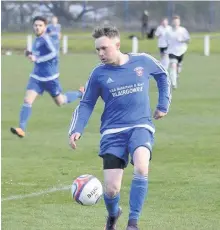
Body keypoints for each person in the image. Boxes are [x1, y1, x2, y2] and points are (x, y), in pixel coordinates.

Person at [68, 25, 171, 230]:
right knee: (112, 189)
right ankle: (113, 215)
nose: (100, 53)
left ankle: (133, 223)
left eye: (104, 48)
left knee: (141, 166)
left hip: (140, 125)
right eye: (97, 49)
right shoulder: (98, 73)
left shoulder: (142, 60)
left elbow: (162, 75)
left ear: (117, 44)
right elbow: (87, 103)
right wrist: (76, 129)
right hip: (112, 132)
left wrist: (163, 105)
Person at [10, 16, 84, 138]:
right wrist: (30, 54)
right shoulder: (37, 39)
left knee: (61, 101)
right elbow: (37, 55)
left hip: (50, 79)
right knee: (27, 100)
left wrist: (37, 59)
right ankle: (21, 129)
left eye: (40, 25)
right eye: (35, 25)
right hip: (36, 78)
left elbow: (54, 53)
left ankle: (80, 93)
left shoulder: (45, 39)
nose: (37, 27)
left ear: (45, 27)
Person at [166, 15, 190, 89]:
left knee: (178, 69)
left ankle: (176, 75)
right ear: (172, 22)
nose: (176, 23)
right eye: (174, 21)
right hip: (172, 51)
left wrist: (182, 40)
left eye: (177, 21)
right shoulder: (169, 31)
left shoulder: (183, 30)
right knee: (173, 65)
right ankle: (173, 83)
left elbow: (188, 40)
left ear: (179, 22)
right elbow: (165, 41)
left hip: (181, 51)